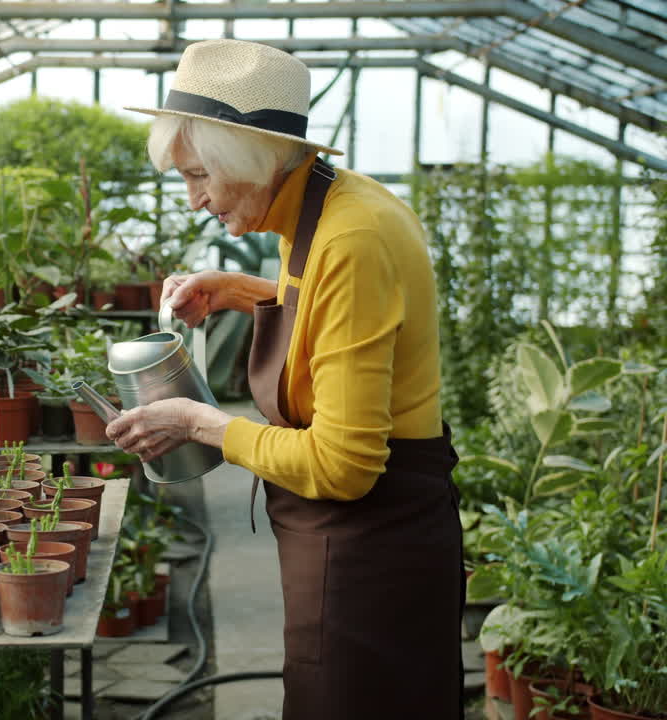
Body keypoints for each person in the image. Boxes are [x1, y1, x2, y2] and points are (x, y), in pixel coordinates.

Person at [107, 39, 464, 719]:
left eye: (198, 175)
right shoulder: (321, 207)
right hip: (353, 544)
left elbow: (345, 466)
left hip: (374, 548)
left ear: (251, 160)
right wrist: (242, 289)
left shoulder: (351, 237)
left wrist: (199, 422)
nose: (193, 201)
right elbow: (334, 315)